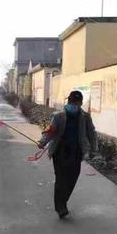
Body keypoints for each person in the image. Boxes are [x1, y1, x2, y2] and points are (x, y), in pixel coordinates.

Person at [38, 90, 97, 219]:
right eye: (72, 102)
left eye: (77, 103)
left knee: (72, 179)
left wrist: (93, 150)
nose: (74, 105)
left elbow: (92, 133)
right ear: (68, 102)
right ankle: (60, 207)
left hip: (76, 152)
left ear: (80, 103)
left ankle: (63, 201)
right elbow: (50, 131)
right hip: (60, 151)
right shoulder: (59, 116)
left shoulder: (85, 117)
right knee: (61, 179)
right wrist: (42, 142)